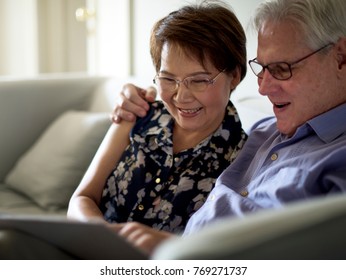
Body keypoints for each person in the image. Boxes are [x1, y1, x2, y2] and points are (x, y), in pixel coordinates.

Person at [111, 0, 346, 253]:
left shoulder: (336, 158)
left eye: (281, 69)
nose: (262, 88)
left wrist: (180, 253)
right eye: (263, 68)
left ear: (341, 58)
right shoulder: (266, 131)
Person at [67, 1, 247, 250]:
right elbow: (83, 197)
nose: (181, 96)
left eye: (199, 80)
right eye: (168, 78)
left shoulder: (242, 159)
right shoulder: (140, 113)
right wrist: (104, 241)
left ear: (235, 76)